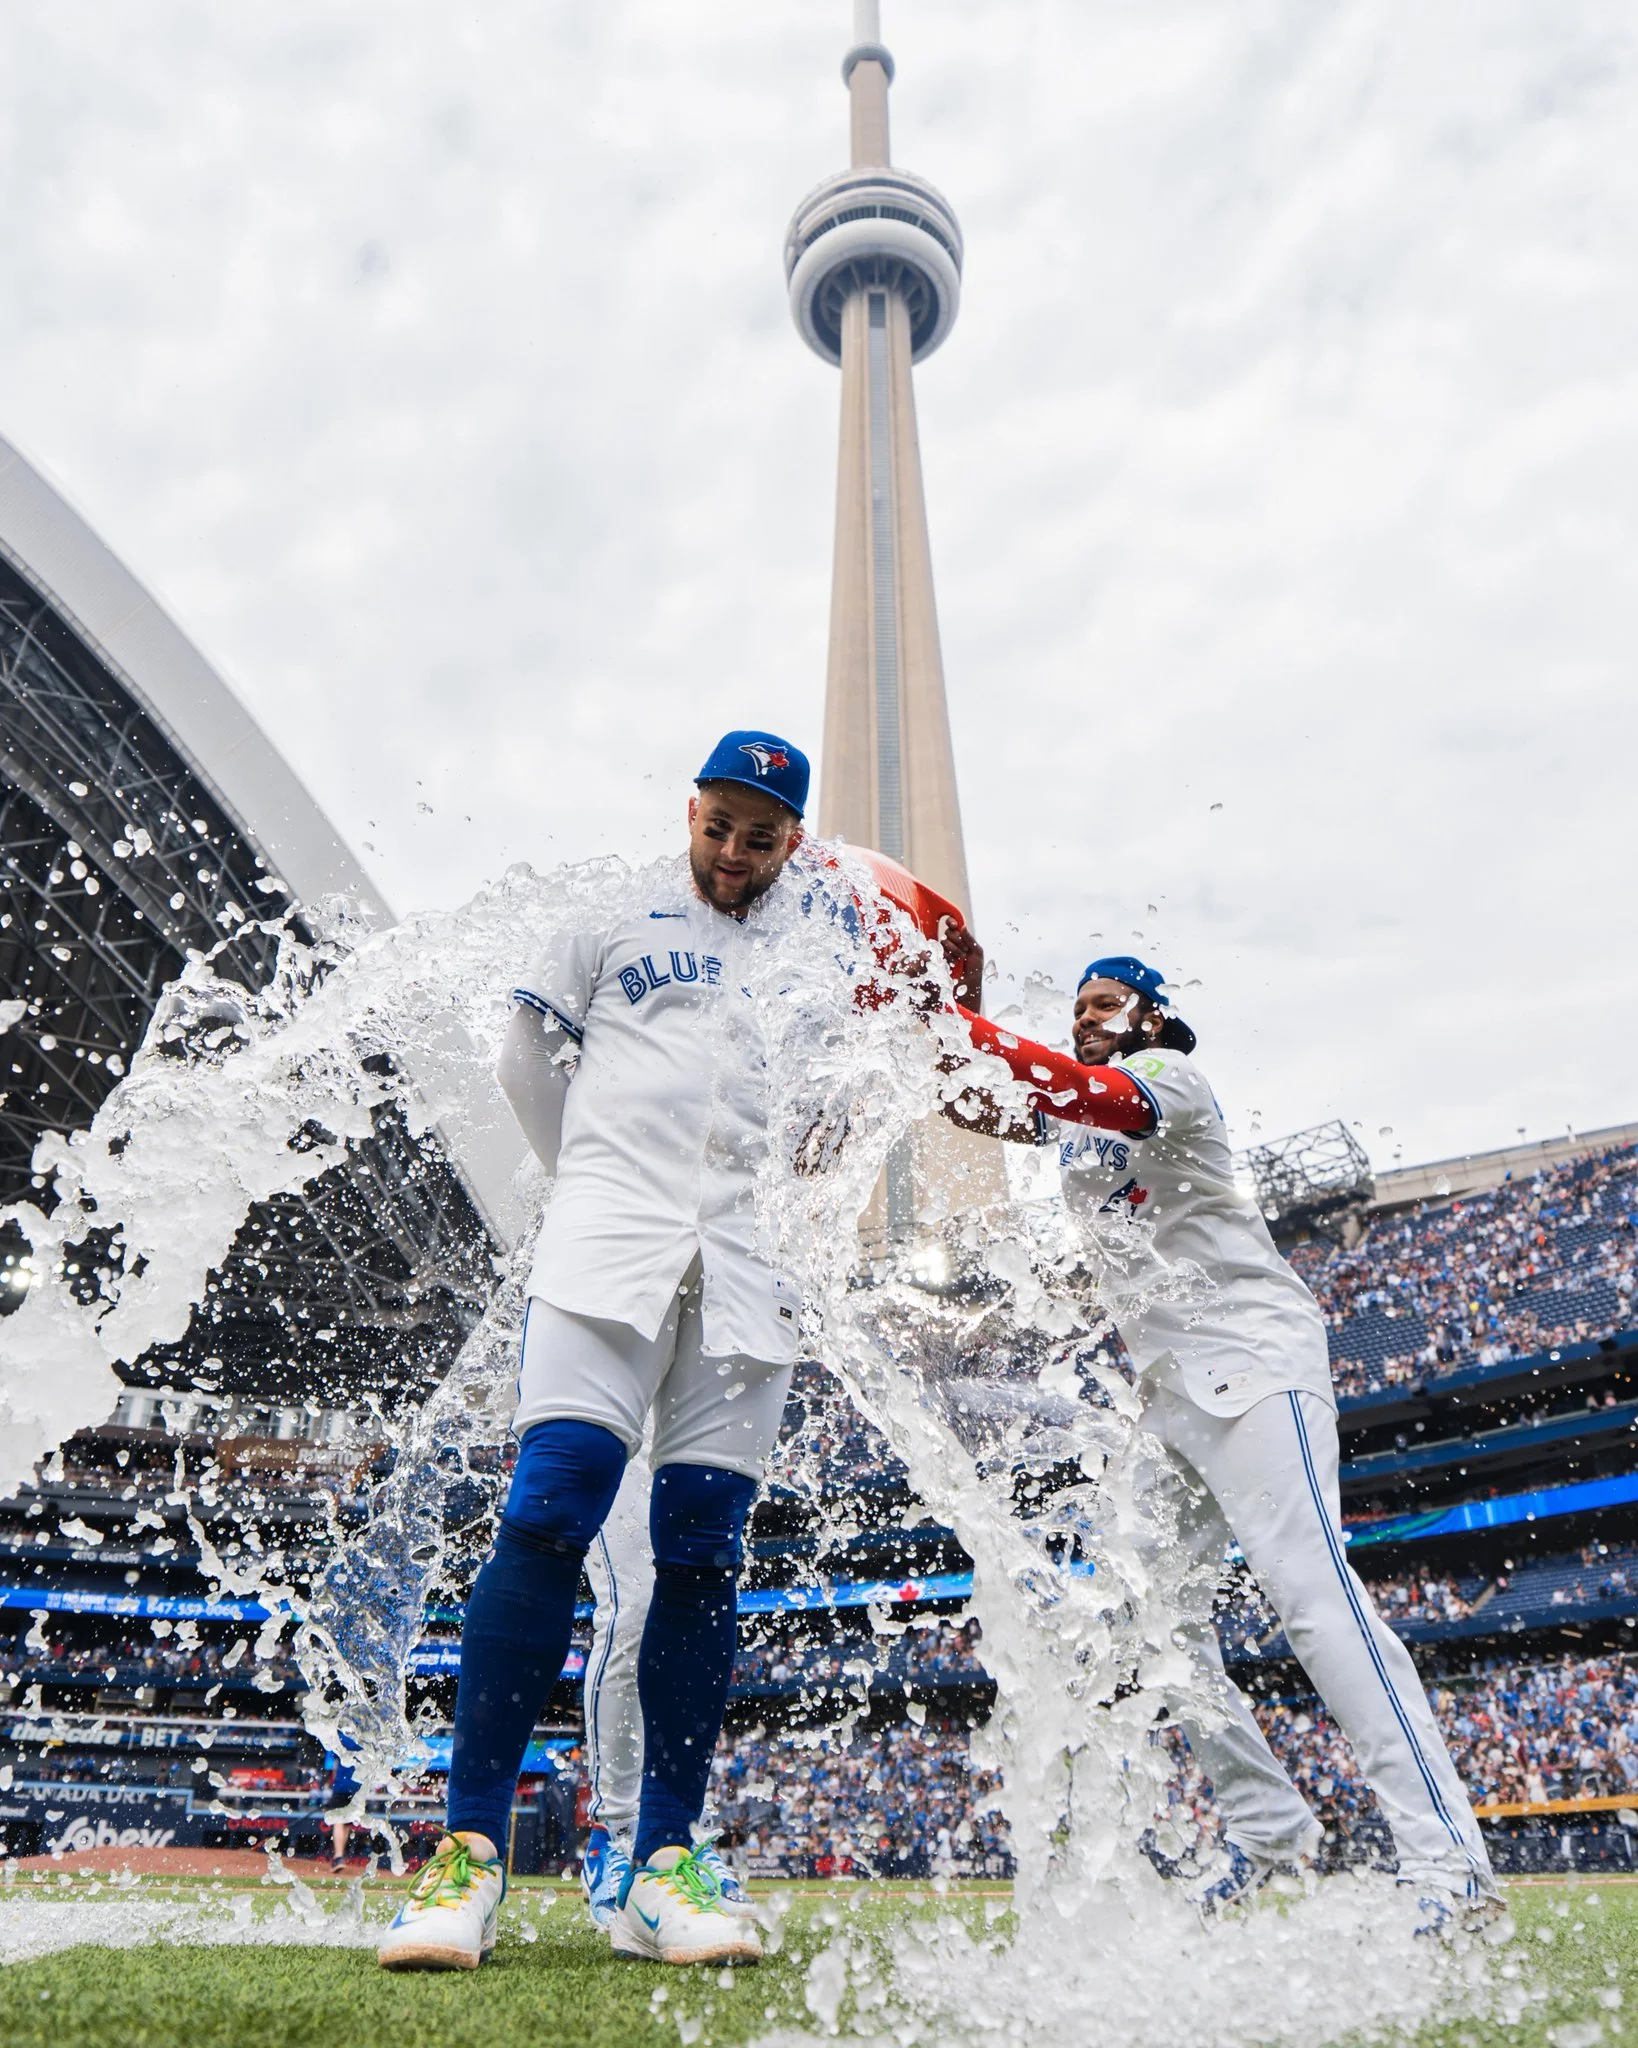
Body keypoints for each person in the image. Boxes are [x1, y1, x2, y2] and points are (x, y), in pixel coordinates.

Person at [378, 730, 820, 1972]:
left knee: (701, 1551)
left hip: (745, 1274)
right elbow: (527, 1059)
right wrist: (596, 1183)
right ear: (692, 809)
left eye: (761, 834)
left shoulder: (816, 952)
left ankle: (662, 1865)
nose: (734, 852)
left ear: (793, 837)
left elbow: (842, 1104)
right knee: (549, 1511)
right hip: (605, 1247)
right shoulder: (605, 912)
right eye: (719, 824)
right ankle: (467, 1856)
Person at [955, 955, 1497, 1928]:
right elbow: (996, 1105)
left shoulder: (1169, 1078)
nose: (1084, 1018)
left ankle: (1451, 1863)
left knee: (1315, 1599)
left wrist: (967, 1029)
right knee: (1151, 1623)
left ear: (1153, 1016)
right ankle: (1269, 1831)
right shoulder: (1075, 1126)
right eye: (1074, 1007)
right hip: (1170, 1395)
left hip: (1254, 1362)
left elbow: (1075, 1087)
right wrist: (921, 1036)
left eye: (1104, 1002)